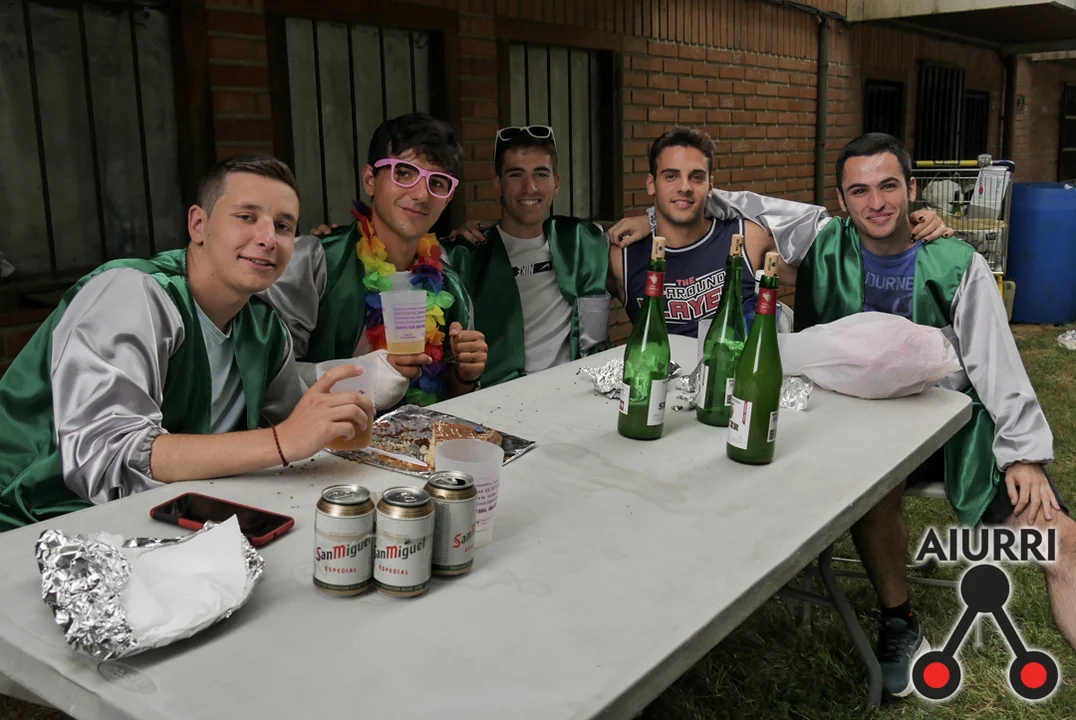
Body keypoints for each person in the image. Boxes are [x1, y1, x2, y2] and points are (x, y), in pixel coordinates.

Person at [703, 132, 1076, 694]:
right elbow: (721, 199)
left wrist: (1023, 453)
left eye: (889, 186)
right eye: (859, 191)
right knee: (874, 492)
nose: (875, 202)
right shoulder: (822, 238)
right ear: (841, 198)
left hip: (948, 437)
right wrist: (646, 220)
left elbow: (996, 362)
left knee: (1061, 541)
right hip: (841, 431)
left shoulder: (956, 263)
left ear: (912, 188)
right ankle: (899, 622)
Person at [0, 154, 375, 532]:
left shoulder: (265, 328)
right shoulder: (133, 292)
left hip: (167, 521)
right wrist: (281, 441)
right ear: (199, 224)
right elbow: (110, 457)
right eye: (246, 217)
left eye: (283, 226)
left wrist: (334, 421)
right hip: (35, 519)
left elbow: (296, 426)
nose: (267, 239)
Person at [264, 113, 488, 408]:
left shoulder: (449, 286)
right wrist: (364, 377)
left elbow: (448, 400)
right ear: (370, 179)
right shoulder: (318, 261)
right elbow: (265, 374)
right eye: (404, 173)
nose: (421, 194)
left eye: (437, 182)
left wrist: (465, 376)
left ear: (448, 198)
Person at [439, 125, 611, 387]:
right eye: (516, 174)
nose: (529, 188)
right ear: (498, 184)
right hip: (500, 397)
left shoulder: (585, 242)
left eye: (541, 174)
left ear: (556, 183)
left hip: (577, 390)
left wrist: (648, 221)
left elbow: (658, 241)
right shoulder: (464, 255)